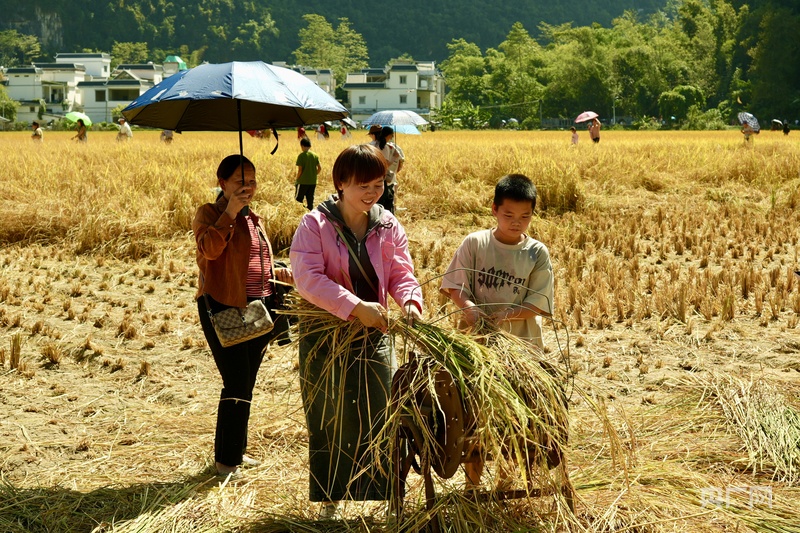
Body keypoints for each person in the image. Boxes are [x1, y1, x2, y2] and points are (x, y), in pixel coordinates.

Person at [289, 144, 423, 519]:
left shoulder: (388, 224)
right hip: (326, 333)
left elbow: (401, 273)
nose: (371, 192)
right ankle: (330, 498)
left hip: (375, 331)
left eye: (378, 184)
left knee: (380, 409)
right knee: (329, 410)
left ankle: (385, 496)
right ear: (341, 183)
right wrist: (354, 307)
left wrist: (410, 302)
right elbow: (308, 279)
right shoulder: (314, 225)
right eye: (362, 184)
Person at [440, 173, 554, 488]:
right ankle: (473, 485)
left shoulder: (536, 253)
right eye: (508, 215)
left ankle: (507, 480)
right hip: (477, 349)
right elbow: (454, 287)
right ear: (494, 210)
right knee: (474, 417)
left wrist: (508, 314)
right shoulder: (475, 244)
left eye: (525, 216)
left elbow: (539, 303)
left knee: (515, 418)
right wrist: (471, 309)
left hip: (521, 350)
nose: (516, 222)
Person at [193, 154, 294, 479]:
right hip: (225, 306)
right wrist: (230, 213)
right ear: (222, 182)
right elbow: (209, 251)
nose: (247, 186)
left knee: (246, 383)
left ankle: (232, 453)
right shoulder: (209, 213)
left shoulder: (255, 218)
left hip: (258, 308)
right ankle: (226, 464)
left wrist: (277, 271)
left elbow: (254, 263)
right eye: (240, 181)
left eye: (251, 180)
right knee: (235, 383)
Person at [369, 126, 404, 214]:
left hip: (370, 176)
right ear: (388, 135)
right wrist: (394, 157)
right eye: (391, 135)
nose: (392, 137)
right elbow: (385, 165)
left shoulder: (369, 145)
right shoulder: (385, 147)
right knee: (385, 200)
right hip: (381, 177)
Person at [295, 137, 321, 210]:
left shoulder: (301, 156)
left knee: (298, 199)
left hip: (302, 181)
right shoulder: (315, 155)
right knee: (310, 199)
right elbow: (320, 168)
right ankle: (310, 211)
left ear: (302, 146)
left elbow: (300, 170)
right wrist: (313, 174)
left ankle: (300, 212)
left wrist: (297, 179)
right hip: (313, 181)